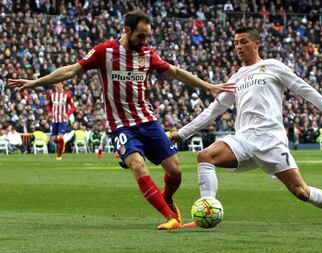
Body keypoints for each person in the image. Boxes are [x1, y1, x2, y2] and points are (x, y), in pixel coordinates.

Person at [9, 11, 234, 230]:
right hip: (120, 125)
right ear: (127, 30)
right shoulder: (104, 52)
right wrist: (34, 82)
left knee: (175, 171)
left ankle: (167, 200)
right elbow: (71, 71)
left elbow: (176, 72)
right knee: (138, 165)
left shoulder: (147, 55)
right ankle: (170, 216)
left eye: (147, 36)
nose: (145, 41)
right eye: (141, 36)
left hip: (148, 120)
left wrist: (208, 86)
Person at [170, 27, 322, 226]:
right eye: (235, 44)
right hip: (243, 138)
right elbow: (212, 111)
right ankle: (206, 212)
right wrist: (182, 133)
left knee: (301, 191)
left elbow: (305, 89)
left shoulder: (273, 66)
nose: (239, 47)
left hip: (271, 140)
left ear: (256, 44)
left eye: (243, 42)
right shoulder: (235, 78)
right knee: (205, 156)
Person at [47, 82, 75, 160]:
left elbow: (73, 107)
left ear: (62, 85)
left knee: (61, 136)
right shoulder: (52, 95)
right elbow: (49, 105)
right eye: (56, 84)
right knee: (53, 138)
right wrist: (49, 113)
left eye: (59, 84)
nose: (57, 86)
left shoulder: (67, 95)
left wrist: (67, 114)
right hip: (54, 119)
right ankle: (62, 144)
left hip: (62, 119)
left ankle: (59, 156)